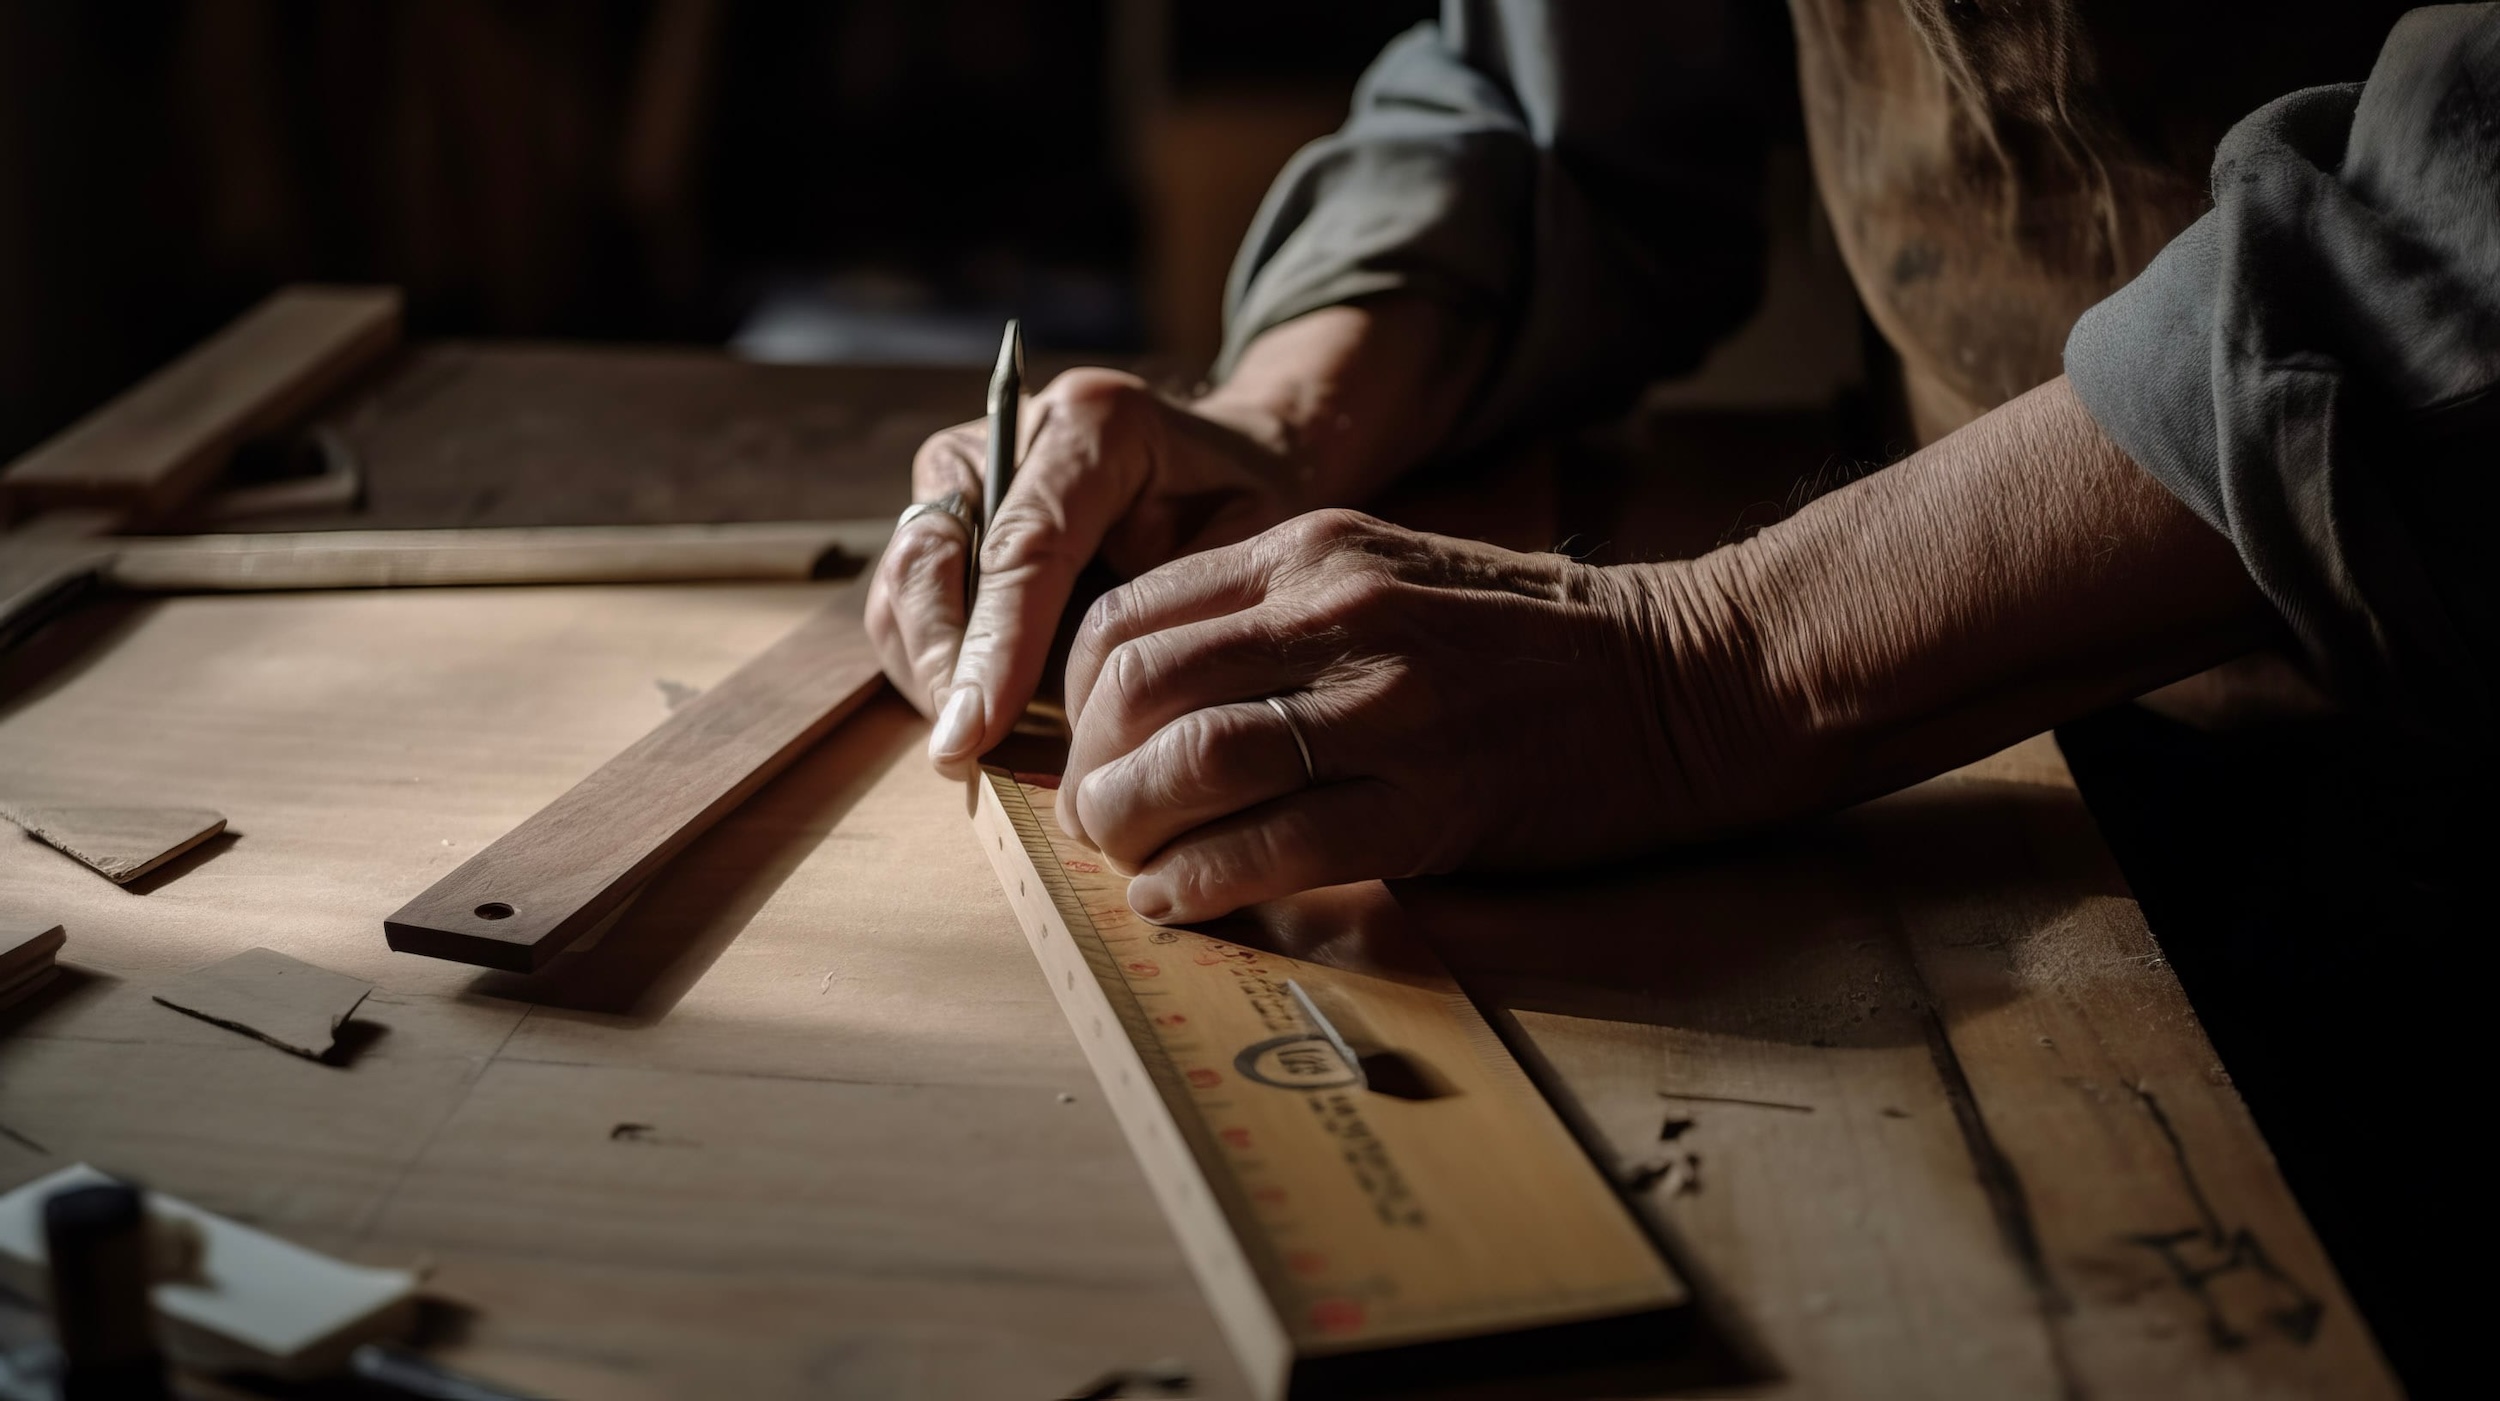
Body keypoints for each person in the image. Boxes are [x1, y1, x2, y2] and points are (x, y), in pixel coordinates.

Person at [865, 0, 2496, 924]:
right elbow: (1556, 82)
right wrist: (1290, 414)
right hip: (1986, 745)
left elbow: (2460, 233)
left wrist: (1698, 668)